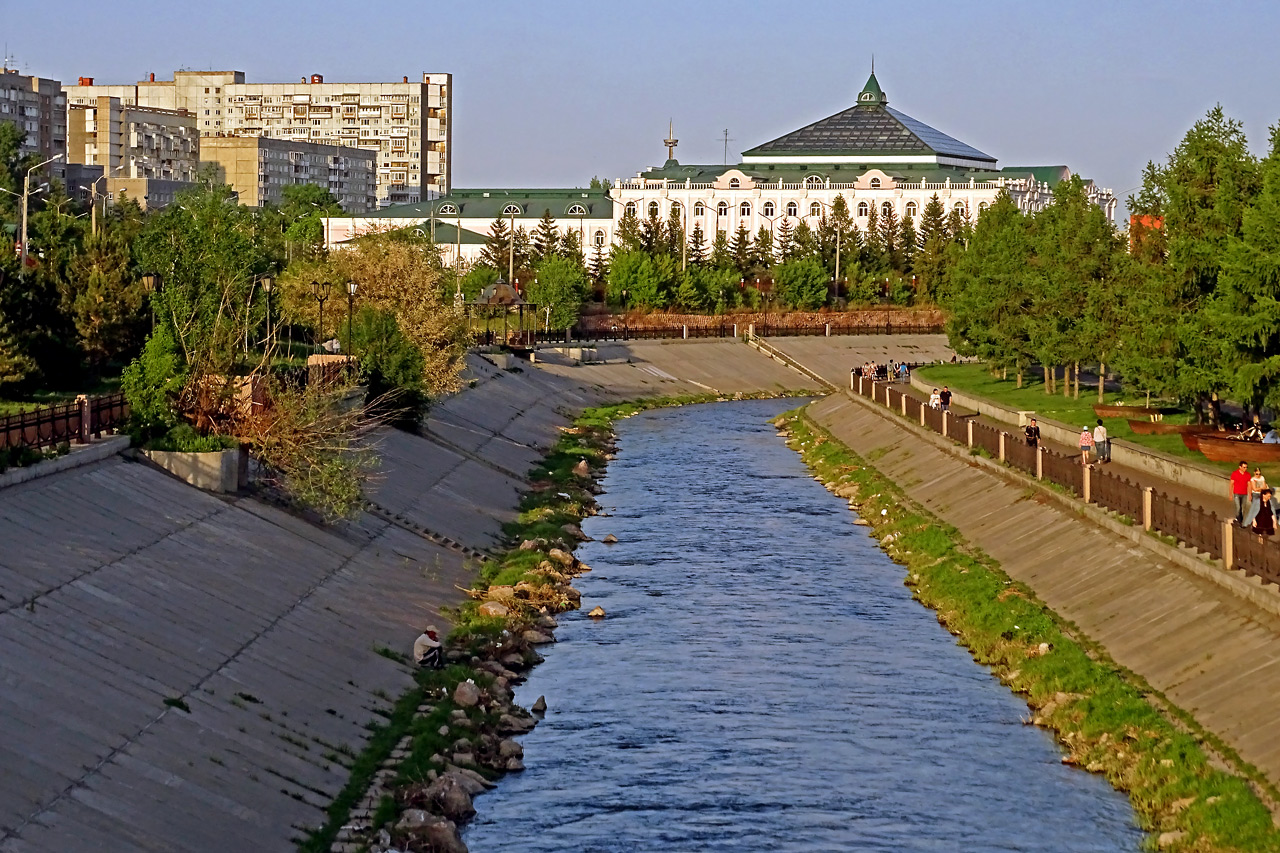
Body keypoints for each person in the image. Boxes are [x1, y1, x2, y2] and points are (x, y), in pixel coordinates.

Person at [1230, 461, 1251, 525]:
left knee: (1243, 508)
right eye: (1244, 467)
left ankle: (1240, 521)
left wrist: (1250, 494)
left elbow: (1249, 485)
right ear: (1240, 467)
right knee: (1238, 507)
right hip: (1237, 493)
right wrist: (1230, 494)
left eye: (1246, 467)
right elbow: (1231, 484)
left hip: (1244, 494)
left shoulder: (1247, 475)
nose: (1245, 469)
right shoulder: (1235, 473)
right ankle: (1238, 519)